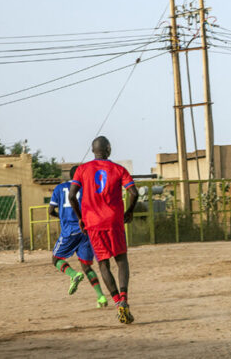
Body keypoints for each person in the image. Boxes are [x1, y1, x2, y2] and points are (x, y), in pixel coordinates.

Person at [69, 136, 139, 324]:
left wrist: (80, 218)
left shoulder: (82, 170)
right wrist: (129, 211)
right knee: (122, 260)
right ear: (108, 149)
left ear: (93, 150)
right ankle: (124, 298)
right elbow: (134, 192)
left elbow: (72, 196)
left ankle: (117, 303)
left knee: (103, 264)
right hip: (114, 221)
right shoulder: (119, 169)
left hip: (93, 223)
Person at [50, 166, 107, 307]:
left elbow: (51, 210)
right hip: (86, 231)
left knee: (55, 258)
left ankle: (73, 275)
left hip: (69, 230)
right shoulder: (87, 189)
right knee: (86, 267)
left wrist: (61, 216)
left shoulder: (59, 188)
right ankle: (101, 297)